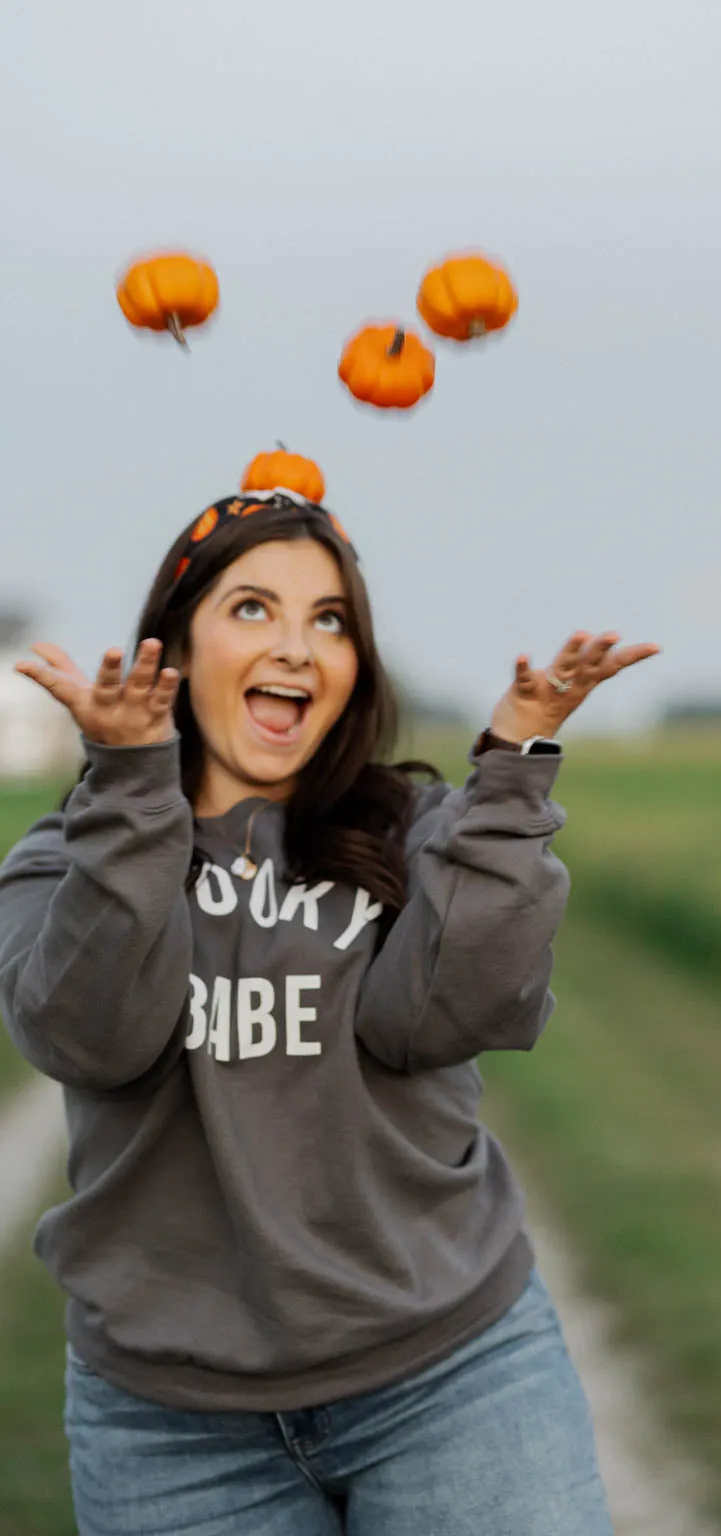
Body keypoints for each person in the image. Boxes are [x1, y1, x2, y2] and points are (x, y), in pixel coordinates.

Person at [0, 486, 659, 1536]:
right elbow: (94, 1038)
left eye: (331, 619)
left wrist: (515, 769)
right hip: (169, 1428)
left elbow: (445, 1018)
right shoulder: (60, 859)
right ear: (171, 650)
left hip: (450, 1380)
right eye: (253, 609)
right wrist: (130, 793)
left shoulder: (416, 832)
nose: (298, 647)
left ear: (356, 668)